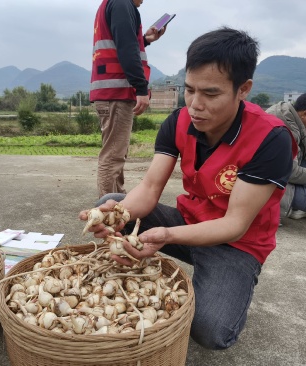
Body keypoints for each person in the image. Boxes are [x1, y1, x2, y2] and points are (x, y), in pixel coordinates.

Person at [80, 27, 297, 350]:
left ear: (244, 90)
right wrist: (118, 214)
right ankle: (135, 255)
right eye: (189, 90)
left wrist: (166, 237)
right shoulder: (179, 121)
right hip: (189, 222)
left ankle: (228, 281)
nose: (195, 105)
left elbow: (235, 225)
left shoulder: (271, 139)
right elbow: (150, 188)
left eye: (210, 94)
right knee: (111, 202)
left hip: (237, 245)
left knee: (210, 331)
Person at [90, 0, 166, 198]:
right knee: (113, 155)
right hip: (116, 91)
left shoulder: (113, 4)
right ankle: (107, 212)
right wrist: (141, 87)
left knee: (116, 153)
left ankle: (116, 201)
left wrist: (146, 39)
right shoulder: (122, 3)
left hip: (111, 91)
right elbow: (126, 47)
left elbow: (123, 43)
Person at [266, 93, 306, 220]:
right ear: (305, 114)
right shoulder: (284, 130)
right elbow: (290, 172)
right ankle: (295, 206)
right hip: (276, 186)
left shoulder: (290, 114)